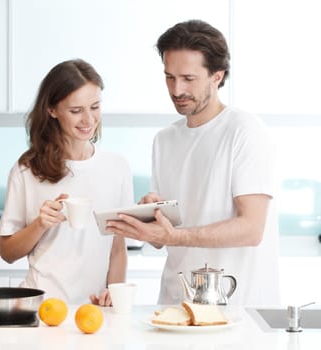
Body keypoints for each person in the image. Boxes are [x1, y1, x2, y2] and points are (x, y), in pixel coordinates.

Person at [106, 20, 280, 306]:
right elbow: (162, 240)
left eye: (188, 78)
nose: (176, 90)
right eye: (169, 77)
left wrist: (174, 235)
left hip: (234, 307)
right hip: (176, 305)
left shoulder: (245, 131)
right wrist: (153, 216)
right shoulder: (165, 140)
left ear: (217, 76)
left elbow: (251, 228)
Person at [0, 59, 134, 306]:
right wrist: (40, 224)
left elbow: (117, 248)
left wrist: (114, 293)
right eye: (75, 110)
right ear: (52, 110)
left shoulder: (117, 168)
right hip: (41, 307)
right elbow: (7, 253)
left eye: (95, 107)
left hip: (93, 312)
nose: (89, 119)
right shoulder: (27, 170)